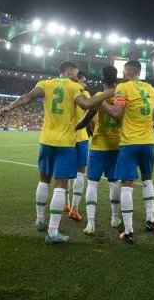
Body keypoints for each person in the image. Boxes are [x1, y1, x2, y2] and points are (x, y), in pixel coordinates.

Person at [0, 61, 114, 244]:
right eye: (75, 73)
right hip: (65, 144)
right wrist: (107, 93)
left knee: (43, 181)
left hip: (46, 142)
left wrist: (9, 108)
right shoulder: (74, 86)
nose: (76, 77)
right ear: (67, 71)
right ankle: (52, 232)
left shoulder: (45, 84)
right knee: (60, 185)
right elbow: (87, 104)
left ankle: (40, 219)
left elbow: (27, 97)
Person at [101, 60, 154, 244]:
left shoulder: (123, 88)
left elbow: (117, 113)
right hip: (148, 142)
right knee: (148, 179)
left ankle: (128, 230)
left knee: (127, 184)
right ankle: (150, 219)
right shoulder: (151, 89)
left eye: (123, 72)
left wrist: (100, 101)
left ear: (126, 72)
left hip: (130, 143)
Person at [75, 66, 122, 235]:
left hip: (98, 145)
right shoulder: (121, 96)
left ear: (102, 79)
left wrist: (73, 128)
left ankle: (91, 223)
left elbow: (85, 120)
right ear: (117, 78)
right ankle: (115, 218)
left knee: (93, 183)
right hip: (116, 145)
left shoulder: (97, 97)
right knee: (114, 182)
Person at [66, 71, 91, 222]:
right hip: (80, 138)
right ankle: (74, 208)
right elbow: (91, 115)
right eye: (84, 81)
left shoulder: (65, 91)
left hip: (66, 138)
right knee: (80, 173)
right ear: (78, 80)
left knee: (64, 174)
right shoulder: (84, 93)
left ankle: (66, 204)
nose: (85, 84)